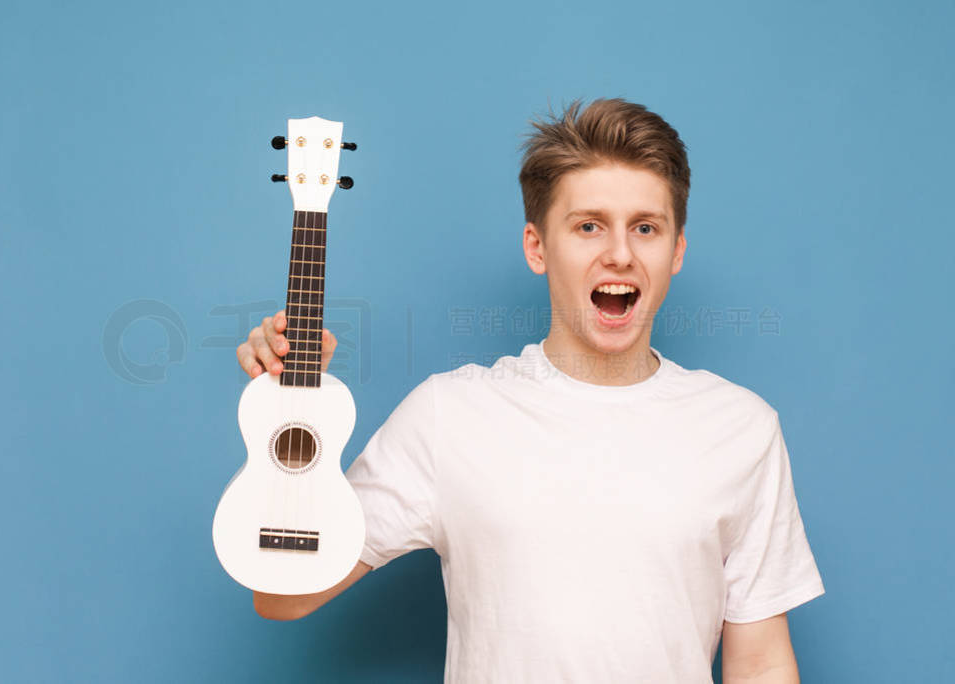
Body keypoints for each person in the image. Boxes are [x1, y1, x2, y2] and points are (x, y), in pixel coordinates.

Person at [236, 98, 826, 683]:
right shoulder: (450, 416)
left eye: (645, 228)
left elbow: (762, 662)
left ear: (675, 252)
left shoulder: (741, 427)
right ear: (537, 247)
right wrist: (289, 411)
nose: (619, 253)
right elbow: (283, 597)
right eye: (588, 226)